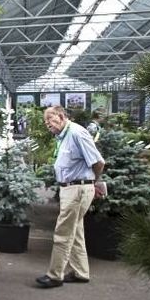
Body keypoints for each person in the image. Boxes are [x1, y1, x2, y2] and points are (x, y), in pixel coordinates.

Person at [36, 105, 106, 289]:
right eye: (45, 121)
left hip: (77, 189)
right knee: (76, 233)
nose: (47, 124)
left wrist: (92, 182)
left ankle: (55, 275)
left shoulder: (77, 133)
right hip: (71, 189)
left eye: (49, 120)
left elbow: (98, 162)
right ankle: (81, 272)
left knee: (63, 233)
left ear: (60, 116)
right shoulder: (64, 136)